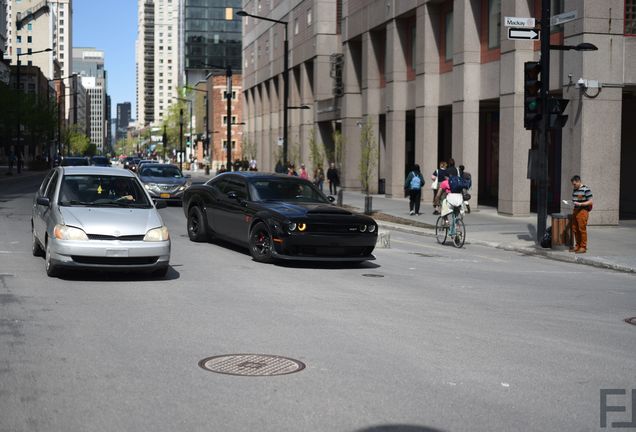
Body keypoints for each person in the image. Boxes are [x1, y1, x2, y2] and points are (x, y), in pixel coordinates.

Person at [570, 175, 593, 254]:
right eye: (573, 184)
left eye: (575, 184)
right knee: (575, 228)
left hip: (583, 210)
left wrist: (581, 204)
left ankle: (583, 247)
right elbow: (575, 199)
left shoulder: (586, 189)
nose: (574, 185)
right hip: (576, 210)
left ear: (579, 181)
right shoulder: (575, 189)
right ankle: (577, 245)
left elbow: (590, 201)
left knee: (581, 229)